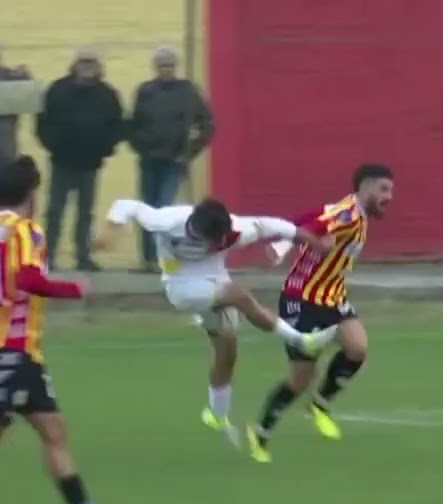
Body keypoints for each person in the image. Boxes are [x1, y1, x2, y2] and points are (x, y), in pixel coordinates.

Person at [98, 198, 340, 446]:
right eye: (215, 241)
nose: (220, 244)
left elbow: (280, 227)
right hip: (181, 287)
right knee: (240, 296)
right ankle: (301, 340)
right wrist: (111, 229)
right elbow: (127, 205)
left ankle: (216, 414)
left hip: (215, 281)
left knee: (227, 349)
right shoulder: (169, 222)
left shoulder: (236, 229)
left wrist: (317, 245)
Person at [0, 155, 135, 504]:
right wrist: (75, 289)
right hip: (12, 350)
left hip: (24, 353)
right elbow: (29, 280)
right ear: (31, 194)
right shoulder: (25, 231)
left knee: (53, 430)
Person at [247, 163, 394, 463]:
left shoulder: (353, 211)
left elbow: (314, 215)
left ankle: (320, 403)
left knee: (357, 348)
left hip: (332, 296)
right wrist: (283, 244)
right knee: (300, 379)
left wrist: (285, 240)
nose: (388, 197)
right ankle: (261, 431)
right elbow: (313, 225)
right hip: (301, 300)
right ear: (365, 187)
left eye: (390, 190)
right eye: (383, 189)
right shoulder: (348, 216)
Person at [35, 48, 124, 272]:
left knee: (85, 213)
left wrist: (105, 149)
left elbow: (118, 125)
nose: (87, 66)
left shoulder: (107, 94)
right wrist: (53, 144)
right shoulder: (58, 89)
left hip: (90, 163)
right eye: (83, 62)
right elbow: (43, 121)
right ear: (75, 65)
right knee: (55, 211)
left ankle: (83, 257)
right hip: (62, 161)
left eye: (91, 62)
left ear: (98, 66)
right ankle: (48, 256)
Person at [128, 46, 215, 274]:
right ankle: (148, 259)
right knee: (147, 210)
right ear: (155, 67)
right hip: (149, 160)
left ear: (175, 66)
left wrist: (189, 153)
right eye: (161, 65)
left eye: (169, 65)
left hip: (175, 161)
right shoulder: (145, 91)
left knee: (165, 210)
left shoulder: (187, 91)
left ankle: (166, 260)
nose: (165, 69)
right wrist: (139, 146)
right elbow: (134, 124)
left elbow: (206, 124)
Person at [0, 46, 34, 162]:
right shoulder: (9, 76)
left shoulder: (10, 76)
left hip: (6, 149)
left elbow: (30, 101)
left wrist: (25, 78)